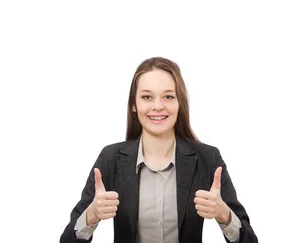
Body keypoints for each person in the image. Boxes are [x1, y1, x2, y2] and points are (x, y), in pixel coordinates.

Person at [60, 57, 258, 243]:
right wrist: (91, 216)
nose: (158, 106)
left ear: (179, 103)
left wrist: (224, 215)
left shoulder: (208, 159)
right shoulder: (110, 158)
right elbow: (67, 239)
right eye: (147, 97)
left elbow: (250, 240)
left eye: (168, 96)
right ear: (134, 105)